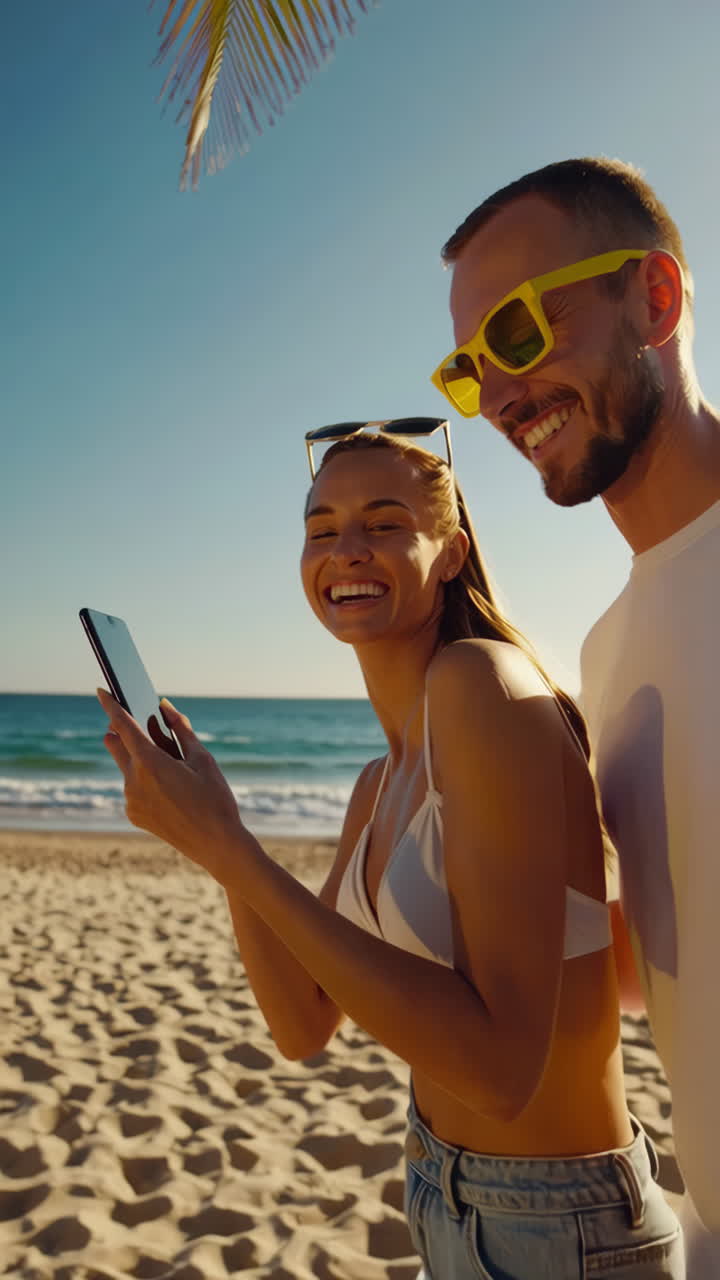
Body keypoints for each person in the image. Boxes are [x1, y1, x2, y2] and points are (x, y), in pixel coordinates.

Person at [97, 425, 682, 1279]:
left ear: (451, 553)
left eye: (384, 522)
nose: (347, 551)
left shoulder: (481, 684)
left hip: (560, 1220)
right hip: (439, 1187)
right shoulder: (380, 778)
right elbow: (301, 1024)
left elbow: (500, 1069)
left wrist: (228, 847)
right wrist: (221, 833)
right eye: (321, 529)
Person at [432, 157, 720, 1276]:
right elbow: (656, 964)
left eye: (516, 333)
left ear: (654, 298)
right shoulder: (605, 650)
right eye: (469, 368)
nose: (499, 396)